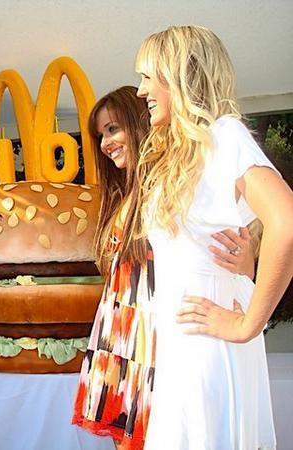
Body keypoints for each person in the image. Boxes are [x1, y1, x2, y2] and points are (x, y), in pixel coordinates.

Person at [131, 25, 293, 449]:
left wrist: (244, 325)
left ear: (180, 75)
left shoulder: (225, 135)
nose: (140, 90)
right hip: (183, 341)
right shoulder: (191, 150)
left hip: (208, 339)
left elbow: (287, 222)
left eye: (149, 76)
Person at [72, 86, 258, 449]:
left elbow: (224, 248)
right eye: (101, 135)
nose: (106, 143)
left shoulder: (172, 186)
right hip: (119, 330)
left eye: (113, 128)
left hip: (157, 333)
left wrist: (245, 267)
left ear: (138, 122)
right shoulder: (118, 196)